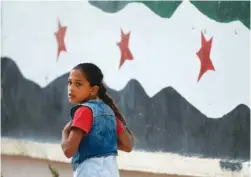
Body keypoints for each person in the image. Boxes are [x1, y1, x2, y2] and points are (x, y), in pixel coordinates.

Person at [61, 63, 135, 177]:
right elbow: (127, 146)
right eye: (70, 83)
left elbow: (68, 151)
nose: (71, 88)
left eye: (78, 84)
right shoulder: (110, 112)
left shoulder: (83, 112)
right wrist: (101, 144)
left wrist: (65, 132)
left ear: (93, 89)